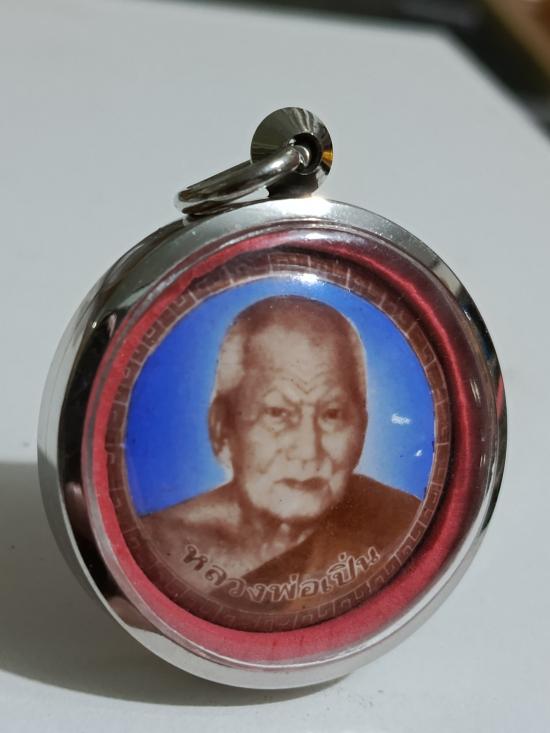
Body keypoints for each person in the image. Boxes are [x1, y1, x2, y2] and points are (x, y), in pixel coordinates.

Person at [141, 295, 419, 616]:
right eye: (277, 412)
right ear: (222, 426)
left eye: (332, 414)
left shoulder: (400, 527)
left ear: (362, 427)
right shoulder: (157, 546)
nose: (307, 451)